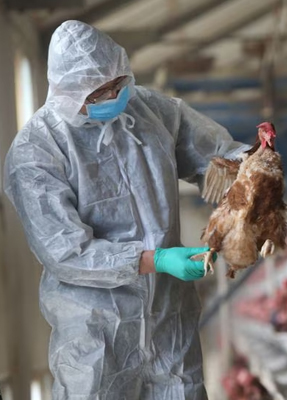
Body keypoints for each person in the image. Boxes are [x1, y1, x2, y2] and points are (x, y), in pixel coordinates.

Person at [3, 20, 249, 399]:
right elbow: (65, 251)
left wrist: (251, 167)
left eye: (118, 83)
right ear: (67, 92)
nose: (114, 96)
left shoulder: (149, 109)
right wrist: (157, 259)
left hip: (169, 318)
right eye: (99, 91)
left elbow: (215, 156)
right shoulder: (36, 151)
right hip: (96, 329)